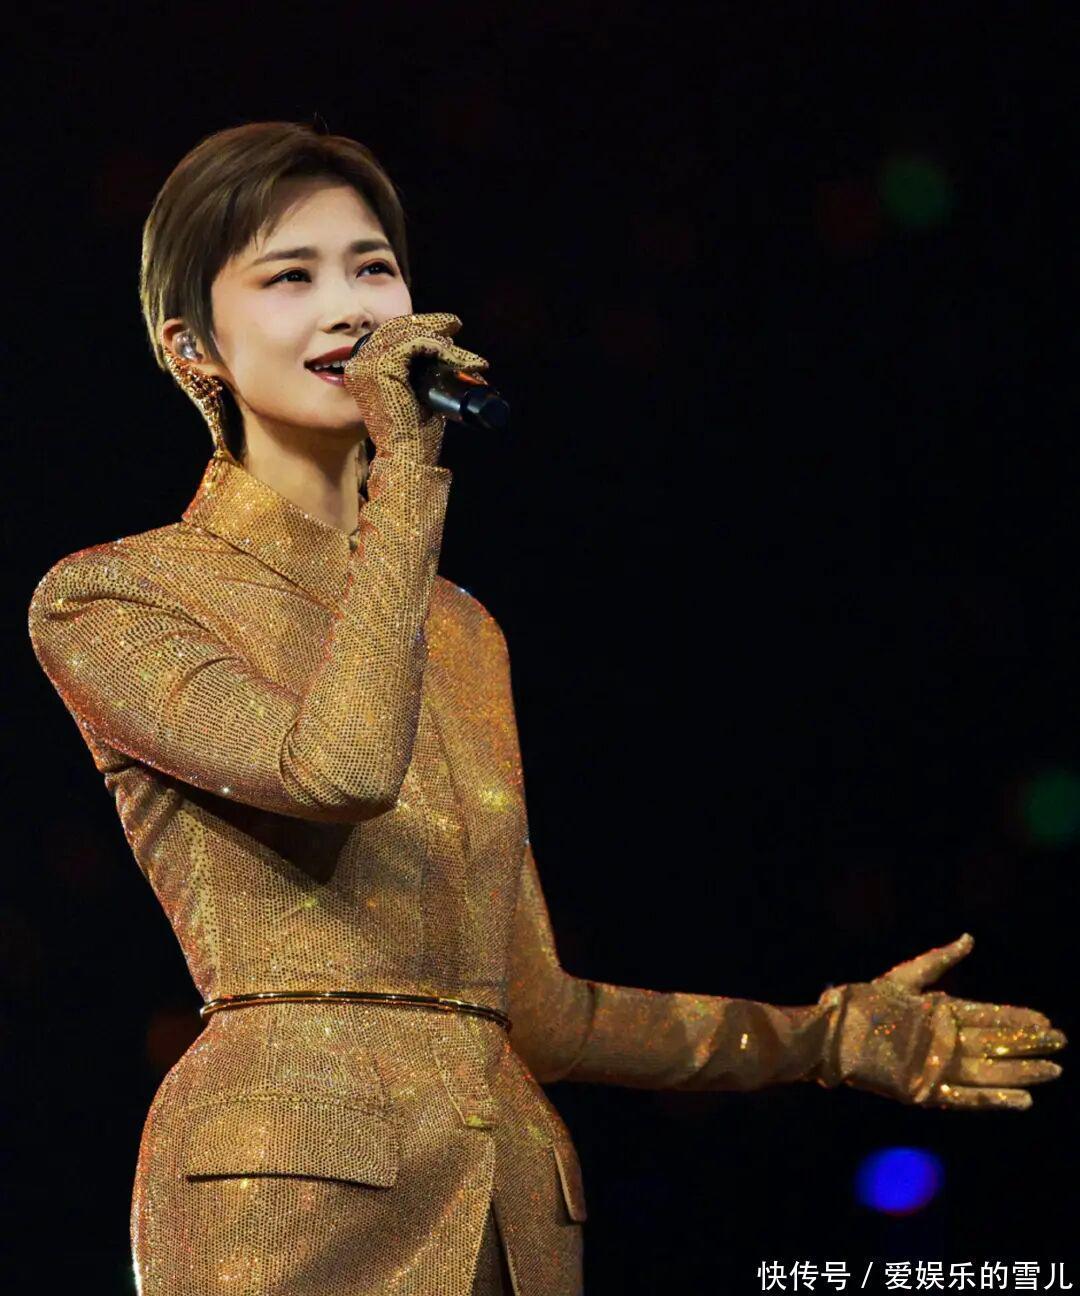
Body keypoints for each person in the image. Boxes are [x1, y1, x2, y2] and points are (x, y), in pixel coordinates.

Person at [27, 121, 1067, 1296]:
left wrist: (825, 1038)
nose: (352, 309)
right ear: (192, 349)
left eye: (373, 268)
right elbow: (337, 770)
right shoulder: (116, 595)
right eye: (291, 277)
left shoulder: (462, 630)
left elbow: (539, 1014)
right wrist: (407, 476)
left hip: (507, 1211)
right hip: (290, 1198)